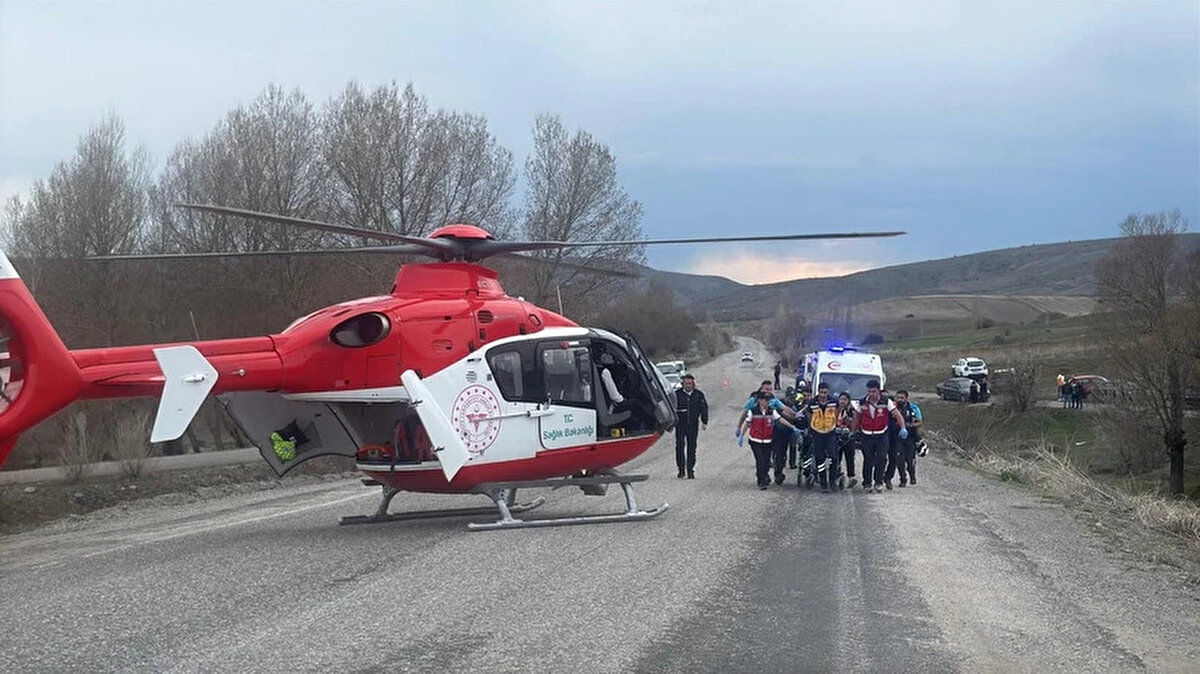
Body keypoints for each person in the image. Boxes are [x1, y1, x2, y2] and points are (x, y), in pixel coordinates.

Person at [852, 379, 906, 493]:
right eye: (869, 391)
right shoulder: (862, 402)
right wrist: (853, 430)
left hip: (881, 435)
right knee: (868, 460)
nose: (871, 394)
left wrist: (903, 428)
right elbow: (856, 416)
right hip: (866, 435)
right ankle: (867, 483)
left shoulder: (886, 402)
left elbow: (898, 415)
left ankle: (878, 482)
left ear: (878, 391)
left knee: (881, 459)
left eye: (873, 391)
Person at [739, 391, 799, 489]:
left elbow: (780, 419)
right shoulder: (753, 411)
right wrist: (741, 435)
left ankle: (763, 476)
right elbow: (747, 423)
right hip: (755, 440)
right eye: (765, 400)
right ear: (760, 400)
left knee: (766, 461)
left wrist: (792, 427)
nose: (768, 402)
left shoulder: (771, 411)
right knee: (760, 461)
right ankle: (761, 482)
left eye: (768, 400)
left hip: (767, 440)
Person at [803, 382, 840, 492]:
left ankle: (832, 481)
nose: (823, 395)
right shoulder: (812, 403)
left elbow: (837, 412)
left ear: (828, 392)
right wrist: (812, 426)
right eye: (821, 392)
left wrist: (833, 423)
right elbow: (809, 415)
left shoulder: (834, 402)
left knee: (833, 457)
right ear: (818, 392)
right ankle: (823, 482)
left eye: (825, 392)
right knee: (820, 458)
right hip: (817, 433)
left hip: (830, 433)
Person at [673, 374, 708, 479]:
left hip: (693, 424)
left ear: (693, 384)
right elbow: (672, 408)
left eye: (690, 383)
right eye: (686, 383)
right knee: (679, 447)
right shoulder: (677, 394)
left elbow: (704, 408)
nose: (688, 385)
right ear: (683, 384)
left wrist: (704, 421)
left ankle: (690, 470)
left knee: (692, 447)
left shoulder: (698, 395)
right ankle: (681, 470)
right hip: (680, 424)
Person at [893, 390, 923, 486]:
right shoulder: (893, 407)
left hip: (911, 437)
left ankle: (912, 475)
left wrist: (911, 425)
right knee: (899, 460)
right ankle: (903, 479)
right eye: (898, 398)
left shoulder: (913, 408)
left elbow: (920, 422)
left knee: (910, 460)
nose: (899, 400)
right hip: (898, 438)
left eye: (902, 398)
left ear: (906, 398)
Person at [835, 391, 858, 488]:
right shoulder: (835, 409)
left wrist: (846, 419)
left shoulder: (852, 411)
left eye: (845, 399)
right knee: (836, 457)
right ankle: (837, 474)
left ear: (848, 401)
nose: (842, 401)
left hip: (848, 437)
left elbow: (854, 423)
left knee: (850, 457)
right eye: (841, 399)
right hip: (836, 436)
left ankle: (851, 477)